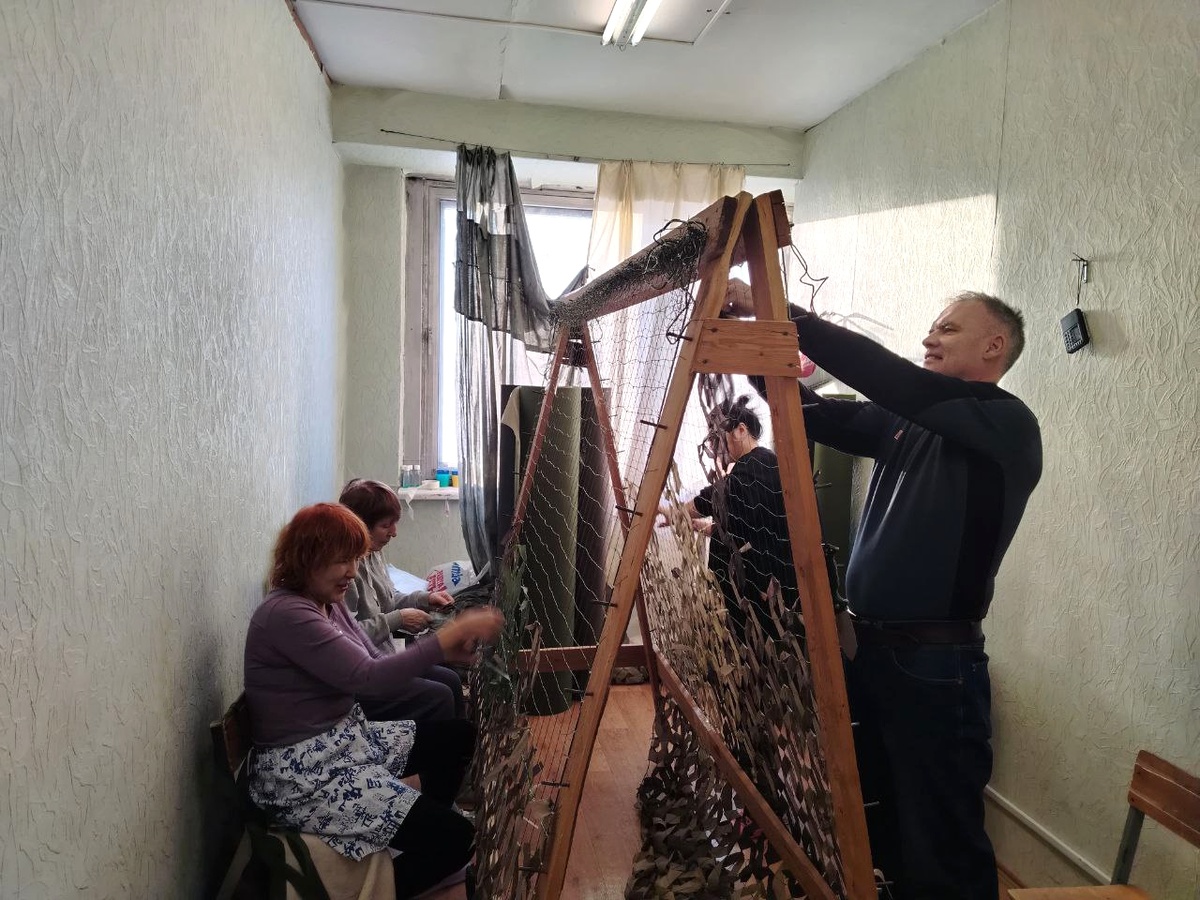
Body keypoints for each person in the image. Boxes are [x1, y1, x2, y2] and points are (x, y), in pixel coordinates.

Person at [725, 280, 1042, 900]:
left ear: (994, 346)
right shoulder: (906, 420)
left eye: (948, 328)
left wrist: (780, 311)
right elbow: (814, 415)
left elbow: (893, 379)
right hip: (873, 652)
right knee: (883, 823)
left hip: (936, 667)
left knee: (941, 843)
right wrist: (755, 352)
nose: (929, 337)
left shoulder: (1007, 423)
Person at [244, 503, 504, 899]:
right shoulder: (287, 614)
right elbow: (369, 679)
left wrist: (444, 651)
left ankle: (416, 830)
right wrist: (448, 637)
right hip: (305, 775)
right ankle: (396, 877)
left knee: (458, 737)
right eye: (342, 560)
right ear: (306, 558)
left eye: (355, 559)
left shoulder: (325, 603)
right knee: (460, 838)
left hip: (342, 744)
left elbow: (370, 659)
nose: (352, 571)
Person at [668, 397, 799, 642]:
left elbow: (716, 497)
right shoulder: (754, 468)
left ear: (741, 430)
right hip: (750, 595)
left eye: (719, 438)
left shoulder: (758, 464)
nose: (717, 447)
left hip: (761, 598)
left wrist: (673, 512)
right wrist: (706, 527)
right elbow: (746, 525)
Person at [339, 477, 464, 722]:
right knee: (439, 695)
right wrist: (397, 620)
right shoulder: (344, 573)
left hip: (383, 658)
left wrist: (425, 598)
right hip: (363, 673)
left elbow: (387, 599)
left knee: (450, 680)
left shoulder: (373, 554)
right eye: (386, 525)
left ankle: (459, 742)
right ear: (360, 525)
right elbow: (346, 637)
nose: (394, 533)